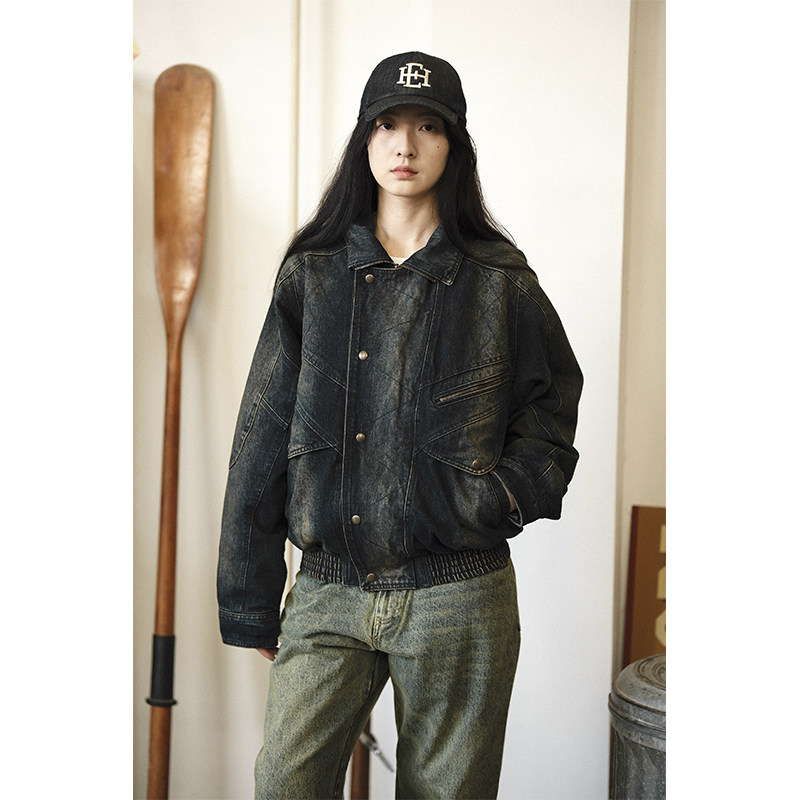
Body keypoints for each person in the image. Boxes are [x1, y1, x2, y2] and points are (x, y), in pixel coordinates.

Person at [217, 51, 583, 800]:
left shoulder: (500, 280)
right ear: (364, 139)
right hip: (330, 589)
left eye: (428, 127)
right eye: (386, 124)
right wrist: (249, 598)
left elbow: (552, 407)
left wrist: (499, 498)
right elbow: (262, 434)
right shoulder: (312, 275)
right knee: (284, 783)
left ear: (455, 145)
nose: (405, 145)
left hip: (459, 597)